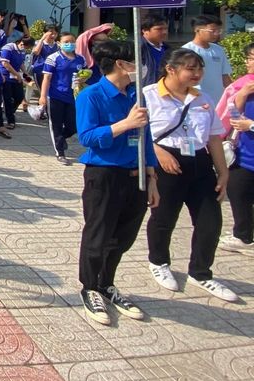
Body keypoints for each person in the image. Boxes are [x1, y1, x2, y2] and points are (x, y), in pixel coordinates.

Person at [75, 39, 158, 326]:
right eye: (136, 61)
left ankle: (106, 283)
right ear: (121, 64)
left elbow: (146, 138)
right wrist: (125, 124)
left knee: (123, 236)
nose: (140, 67)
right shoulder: (91, 95)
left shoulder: (136, 96)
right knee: (98, 235)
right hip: (104, 176)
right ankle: (89, 287)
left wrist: (152, 176)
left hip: (136, 176)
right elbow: (87, 137)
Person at [143, 48, 237, 302]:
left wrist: (223, 172)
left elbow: (214, 137)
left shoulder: (202, 98)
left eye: (200, 69)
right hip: (166, 164)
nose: (197, 74)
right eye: (190, 69)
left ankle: (201, 272)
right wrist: (158, 152)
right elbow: (137, 133)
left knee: (210, 221)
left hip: (199, 163)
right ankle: (159, 262)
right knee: (164, 217)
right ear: (170, 69)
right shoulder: (148, 95)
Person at [221, 43, 254, 255]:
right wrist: (241, 95)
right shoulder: (245, 85)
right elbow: (230, 116)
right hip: (244, 154)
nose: (249, 62)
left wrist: (251, 125)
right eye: (249, 58)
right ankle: (243, 236)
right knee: (237, 191)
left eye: (252, 58)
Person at [40, 33, 86, 165]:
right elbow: (46, 78)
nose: (69, 44)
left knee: (73, 126)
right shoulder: (53, 58)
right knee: (56, 125)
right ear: (59, 43)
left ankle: (61, 139)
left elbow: (85, 74)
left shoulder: (81, 59)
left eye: (72, 41)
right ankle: (60, 152)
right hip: (56, 96)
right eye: (66, 41)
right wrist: (43, 96)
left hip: (73, 96)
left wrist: (83, 79)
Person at [182, 15, 233, 106]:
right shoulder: (187, 50)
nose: (216, 34)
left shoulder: (218, 49)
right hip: (197, 100)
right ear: (197, 30)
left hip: (218, 100)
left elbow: (225, 76)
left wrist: (232, 94)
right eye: (212, 31)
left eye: (218, 31)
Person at [0, 35, 34, 131]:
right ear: (21, 43)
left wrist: (26, 75)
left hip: (16, 76)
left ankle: (9, 112)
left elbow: (21, 63)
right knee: (7, 99)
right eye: (27, 46)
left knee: (19, 97)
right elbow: (5, 63)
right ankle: (11, 121)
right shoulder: (8, 48)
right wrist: (16, 74)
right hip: (6, 76)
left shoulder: (22, 50)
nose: (26, 49)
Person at [139, 14, 169, 88]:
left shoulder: (168, 49)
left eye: (166, 29)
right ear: (145, 30)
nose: (164, 32)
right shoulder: (137, 49)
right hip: (145, 91)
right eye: (159, 29)